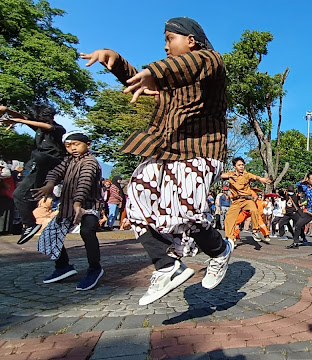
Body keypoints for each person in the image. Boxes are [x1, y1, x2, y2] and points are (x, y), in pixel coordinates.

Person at [81, 17, 232, 305]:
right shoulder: (169, 82)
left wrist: (154, 72)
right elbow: (145, 82)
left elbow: (183, 68)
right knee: (136, 200)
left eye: (169, 38)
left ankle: (220, 251)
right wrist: (116, 62)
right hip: (165, 150)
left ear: (191, 39)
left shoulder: (211, 62)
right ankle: (167, 266)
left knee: (187, 211)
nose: (165, 46)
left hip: (201, 149)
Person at [32, 131, 103, 290]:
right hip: (67, 206)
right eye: (68, 145)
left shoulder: (90, 162)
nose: (72, 148)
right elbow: (55, 171)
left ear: (88, 145)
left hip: (89, 206)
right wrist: (50, 184)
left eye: (76, 144)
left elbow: (84, 182)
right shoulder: (68, 160)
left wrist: (78, 203)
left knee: (87, 231)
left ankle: (94, 268)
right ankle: (62, 266)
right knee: (50, 234)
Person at [1, 105, 66, 244]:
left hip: (53, 163)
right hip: (37, 167)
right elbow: (23, 117)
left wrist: (21, 122)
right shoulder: (38, 128)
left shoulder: (58, 129)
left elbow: (45, 127)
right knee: (21, 195)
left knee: (40, 157)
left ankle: (31, 223)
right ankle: (30, 224)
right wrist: (7, 110)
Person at [221, 157, 271, 243]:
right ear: (234, 166)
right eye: (239, 165)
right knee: (229, 219)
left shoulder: (246, 174)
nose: (241, 167)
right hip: (236, 201)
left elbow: (255, 177)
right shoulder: (231, 174)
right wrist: (230, 175)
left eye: (243, 165)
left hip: (247, 199)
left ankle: (255, 231)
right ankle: (230, 239)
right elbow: (221, 175)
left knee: (254, 210)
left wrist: (261, 179)